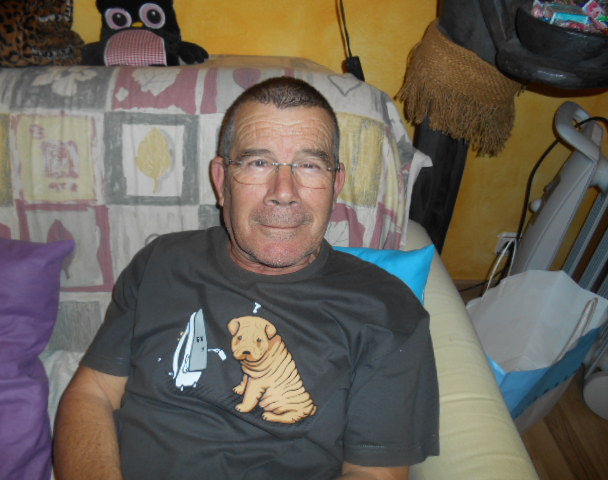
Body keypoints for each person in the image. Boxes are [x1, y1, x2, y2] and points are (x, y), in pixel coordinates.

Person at [54, 76, 439, 480]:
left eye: (309, 165)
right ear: (222, 181)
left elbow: (374, 473)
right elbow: (94, 392)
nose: (284, 191)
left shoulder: (386, 309)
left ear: (335, 184)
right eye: (259, 163)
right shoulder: (161, 262)